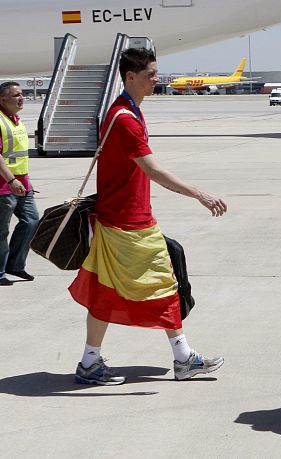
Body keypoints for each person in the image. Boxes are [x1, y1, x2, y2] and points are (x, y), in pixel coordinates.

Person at [68, 48, 228, 385]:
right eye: (151, 74)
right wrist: (200, 194)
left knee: (105, 291)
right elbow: (153, 170)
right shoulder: (125, 118)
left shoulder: (126, 111)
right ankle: (183, 359)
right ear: (130, 76)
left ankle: (90, 362)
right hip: (129, 222)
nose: (157, 79)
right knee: (165, 284)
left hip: (117, 218)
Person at [0, 82, 39, 287]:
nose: (21, 98)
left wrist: (25, 180)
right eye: (16, 95)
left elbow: (19, 156)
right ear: (2, 100)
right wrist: (11, 180)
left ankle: (14, 265)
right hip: (4, 186)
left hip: (23, 184)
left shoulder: (16, 120)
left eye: (22, 94)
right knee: (1, 230)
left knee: (32, 221)